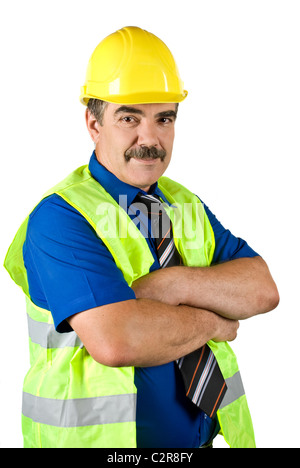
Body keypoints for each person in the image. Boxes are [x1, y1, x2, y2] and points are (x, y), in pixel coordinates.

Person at [4, 26, 279, 449]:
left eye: (164, 119)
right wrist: (214, 321)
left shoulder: (183, 205)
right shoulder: (61, 218)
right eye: (129, 118)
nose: (150, 140)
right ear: (94, 124)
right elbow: (117, 340)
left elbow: (261, 290)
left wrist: (174, 284)